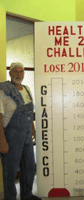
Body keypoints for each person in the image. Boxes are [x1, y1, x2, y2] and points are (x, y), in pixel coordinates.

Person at [0, 62, 41, 200]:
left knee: (29, 166)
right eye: (15, 71)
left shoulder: (27, 89)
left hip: (27, 135)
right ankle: (10, 198)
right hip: (11, 136)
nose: (19, 74)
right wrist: (2, 140)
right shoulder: (3, 90)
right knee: (10, 171)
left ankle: (27, 195)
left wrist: (32, 129)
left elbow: (29, 112)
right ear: (10, 73)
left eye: (21, 71)